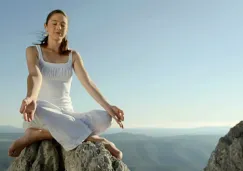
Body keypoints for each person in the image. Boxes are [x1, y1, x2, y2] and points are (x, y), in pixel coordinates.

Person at [8, 9, 125, 160]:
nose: (58, 28)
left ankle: (37, 135)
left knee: (104, 118)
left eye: (63, 25)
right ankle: (95, 139)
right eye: (54, 23)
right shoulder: (33, 51)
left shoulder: (73, 56)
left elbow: (88, 83)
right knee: (39, 108)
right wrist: (31, 98)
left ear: (67, 28)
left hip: (68, 116)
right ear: (46, 26)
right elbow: (35, 75)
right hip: (43, 113)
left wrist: (110, 108)